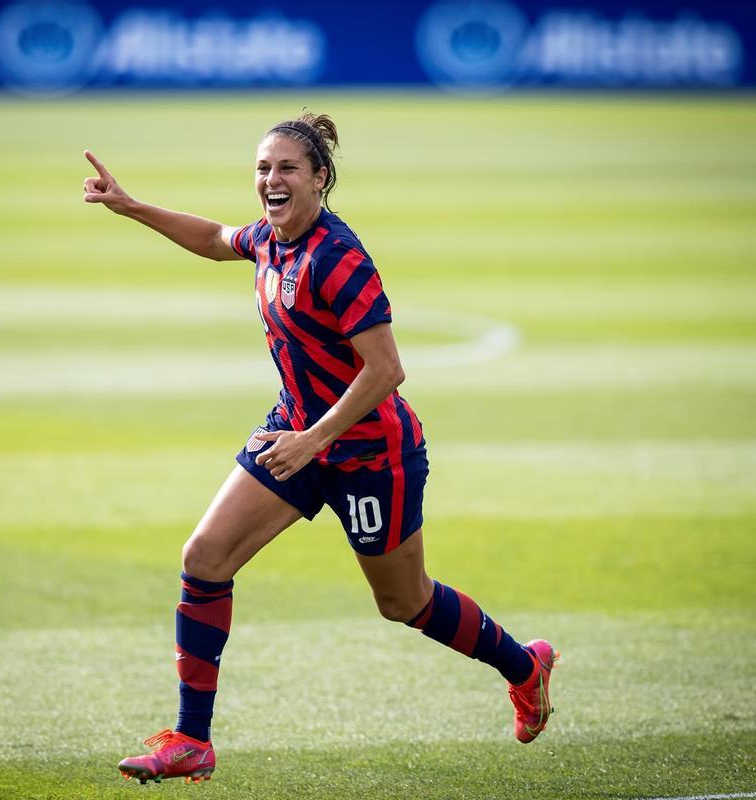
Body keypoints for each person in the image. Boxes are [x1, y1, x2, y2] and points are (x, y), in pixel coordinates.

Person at [82, 112, 559, 786]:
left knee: (405, 602)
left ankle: (524, 666)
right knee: (205, 557)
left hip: (368, 453)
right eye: (262, 169)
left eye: (285, 169)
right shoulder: (271, 240)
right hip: (297, 433)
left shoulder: (337, 258)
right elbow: (218, 239)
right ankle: (191, 740)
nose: (269, 180)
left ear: (320, 179)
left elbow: (386, 369)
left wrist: (316, 440)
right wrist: (131, 208)